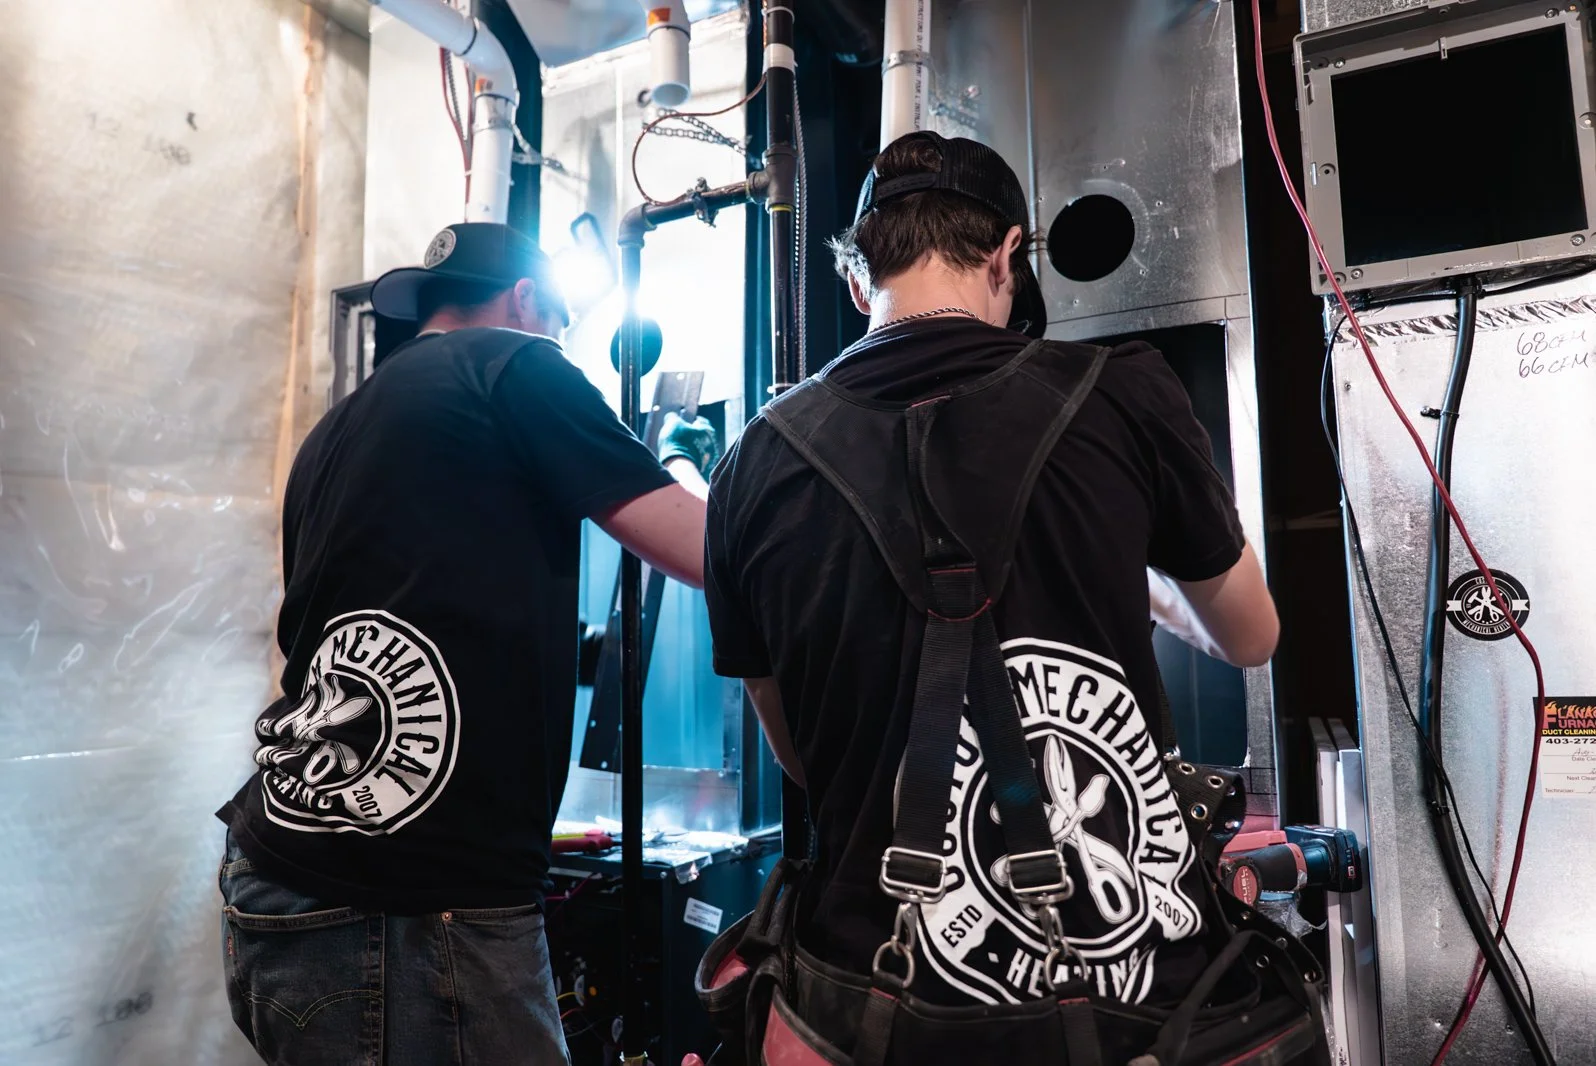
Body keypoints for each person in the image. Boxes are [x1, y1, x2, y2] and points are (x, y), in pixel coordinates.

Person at [704, 132, 1302, 1062]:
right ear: (1008, 256)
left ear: (860, 281)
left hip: (870, 1008)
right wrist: (1134, 586)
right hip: (1138, 1001)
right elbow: (1253, 635)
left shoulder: (753, 461)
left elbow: (802, 753)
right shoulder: (1123, 393)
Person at [215, 222, 719, 1065]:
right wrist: (687, 463)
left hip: (277, 870)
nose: (558, 339)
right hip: (413, 907)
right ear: (527, 301)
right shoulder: (520, 363)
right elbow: (706, 552)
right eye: (558, 319)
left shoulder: (336, 431)